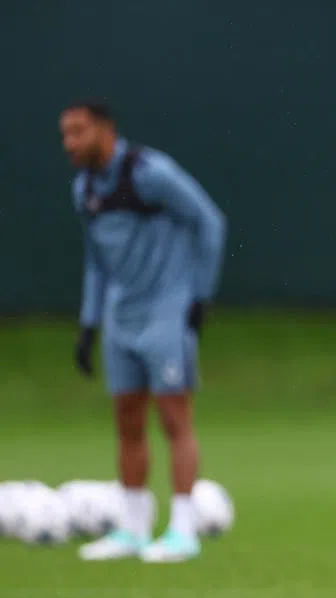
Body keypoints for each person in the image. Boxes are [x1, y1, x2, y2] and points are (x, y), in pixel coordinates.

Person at [61, 99, 227, 563]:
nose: (69, 143)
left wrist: (199, 297)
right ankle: (133, 528)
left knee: (174, 419)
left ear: (105, 130)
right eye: (65, 134)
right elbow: (96, 262)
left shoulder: (151, 174)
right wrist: (89, 325)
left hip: (165, 313)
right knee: (127, 422)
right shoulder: (84, 189)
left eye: (78, 131)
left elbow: (210, 222)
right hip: (121, 319)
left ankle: (183, 530)